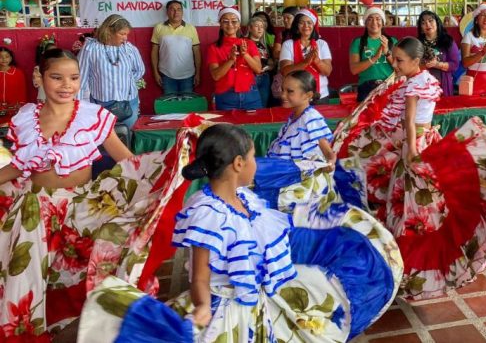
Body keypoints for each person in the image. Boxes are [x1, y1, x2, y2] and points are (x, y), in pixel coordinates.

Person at [79, 123, 403, 342]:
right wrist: (203, 307)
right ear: (237, 164)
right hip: (227, 308)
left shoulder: (246, 198)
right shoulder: (207, 215)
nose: (256, 164)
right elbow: (200, 277)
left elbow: (270, 217)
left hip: (259, 301)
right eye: (251, 159)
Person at [0, 49, 191, 338]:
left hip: (83, 210)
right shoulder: (26, 118)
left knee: (95, 268)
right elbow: (18, 166)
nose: (67, 85)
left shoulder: (93, 116)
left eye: (74, 78)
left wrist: (168, 166)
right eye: (57, 77)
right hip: (34, 210)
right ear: (39, 77)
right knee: (28, 276)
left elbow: (127, 160)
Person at [333, 37, 486, 300]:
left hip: (414, 146)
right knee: (415, 206)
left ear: (416, 61)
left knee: (411, 207)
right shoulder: (423, 79)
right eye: (394, 58)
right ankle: (406, 263)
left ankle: (409, 266)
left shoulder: (413, 85)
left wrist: (412, 150)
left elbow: (410, 121)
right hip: (421, 143)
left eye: (400, 60)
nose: (395, 63)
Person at [77, 14, 145, 130]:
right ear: (109, 31)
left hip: (128, 102)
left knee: (127, 134)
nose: (125, 38)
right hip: (101, 104)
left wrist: (125, 81)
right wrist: (80, 106)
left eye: (126, 34)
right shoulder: (91, 49)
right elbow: (81, 79)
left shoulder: (129, 49)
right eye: (122, 34)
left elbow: (140, 70)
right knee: (104, 137)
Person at [268, 70, 336, 166]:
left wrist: (330, 163)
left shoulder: (311, 117)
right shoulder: (294, 117)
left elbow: (327, 150)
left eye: (290, 91)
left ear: (308, 95)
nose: (283, 95)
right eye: (283, 90)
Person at [208, 7, 264, 110]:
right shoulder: (214, 47)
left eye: (234, 21)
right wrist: (230, 60)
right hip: (226, 96)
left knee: (255, 125)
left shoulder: (249, 44)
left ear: (238, 25)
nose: (230, 25)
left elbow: (258, 69)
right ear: (220, 24)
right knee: (228, 126)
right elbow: (216, 76)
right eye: (225, 21)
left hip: (250, 95)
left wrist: (245, 54)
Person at [276, 8, 333, 104]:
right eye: (302, 22)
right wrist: (305, 62)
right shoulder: (288, 44)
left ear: (313, 25)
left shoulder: (322, 44)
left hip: (320, 96)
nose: (306, 26)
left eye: (309, 23)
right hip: (295, 96)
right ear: (296, 25)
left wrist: (317, 61)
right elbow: (285, 71)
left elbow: (327, 72)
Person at [150, 0, 201, 95]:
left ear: (182, 12)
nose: (176, 12)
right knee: (170, 107)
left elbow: (197, 52)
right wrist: (155, 73)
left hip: (188, 75)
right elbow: (154, 51)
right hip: (166, 75)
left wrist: (198, 73)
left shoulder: (191, 28)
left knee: (187, 107)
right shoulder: (159, 27)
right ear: (167, 12)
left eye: (178, 9)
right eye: (172, 9)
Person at [350, 7, 396, 101]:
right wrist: (374, 58)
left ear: (383, 23)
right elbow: (354, 69)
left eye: (378, 19)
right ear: (365, 23)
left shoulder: (392, 41)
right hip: (367, 88)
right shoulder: (358, 42)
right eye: (370, 19)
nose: (374, 22)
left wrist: (387, 52)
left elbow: (400, 67)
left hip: (389, 86)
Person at [416, 10, 460, 97]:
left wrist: (437, 64)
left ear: (437, 23)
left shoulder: (448, 41)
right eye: (423, 23)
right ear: (421, 28)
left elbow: (455, 65)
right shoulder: (417, 43)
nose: (428, 24)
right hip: (422, 87)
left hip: (443, 85)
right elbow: (412, 64)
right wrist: (423, 65)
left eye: (430, 20)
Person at [246, 15, 275, 105]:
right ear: (250, 28)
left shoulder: (265, 45)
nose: (260, 29)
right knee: (251, 104)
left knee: (263, 104)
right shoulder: (245, 43)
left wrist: (271, 65)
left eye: (262, 27)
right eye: (256, 26)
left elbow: (271, 61)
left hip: (265, 77)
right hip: (251, 76)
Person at [0, 46, 27, 126]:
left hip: (13, 110)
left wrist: (20, 106)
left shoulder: (18, 73)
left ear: (11, 58)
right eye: (0, 57)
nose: (4, 59)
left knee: (10, 131)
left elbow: (22, 91)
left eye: (7, 57)